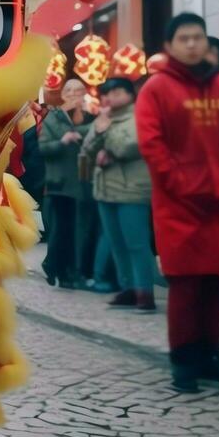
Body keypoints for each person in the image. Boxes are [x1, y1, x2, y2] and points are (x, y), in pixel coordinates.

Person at [136, 13, 219, 392]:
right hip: (180, 206)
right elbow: (152, 145)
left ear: (206, 43)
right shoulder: (157, 89)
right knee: (186, 287)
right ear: (169, 46)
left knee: (218, 283)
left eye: (197, 37)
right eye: (183, 38)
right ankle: (184, 361)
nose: (191, 44)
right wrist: (180, 184)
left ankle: (210, 355)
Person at [81, 77, 154, 312]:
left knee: (137, 243)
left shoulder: (140, 116)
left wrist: (104, 135)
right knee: (116, 243)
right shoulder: (103, 119)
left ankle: (145, 292)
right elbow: (86, 151)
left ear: (130, 94)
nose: (110, 98)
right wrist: (99, 134)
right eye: (106, 94)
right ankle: (128, 288)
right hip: (105, 188)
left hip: (132, 188)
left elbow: (127, 146)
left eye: (117, 92)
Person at [39, 78, 94, 288]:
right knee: (62, 228)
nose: (73, 94)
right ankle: (58, 268)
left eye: (78, 90)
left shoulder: (90, 117)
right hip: (60, 182)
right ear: (63, 95)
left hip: (84, 181)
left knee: (79, 229)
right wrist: (62, 142)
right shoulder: (54, 117)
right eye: (69, 90)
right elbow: (44, 147)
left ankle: (68, 269)